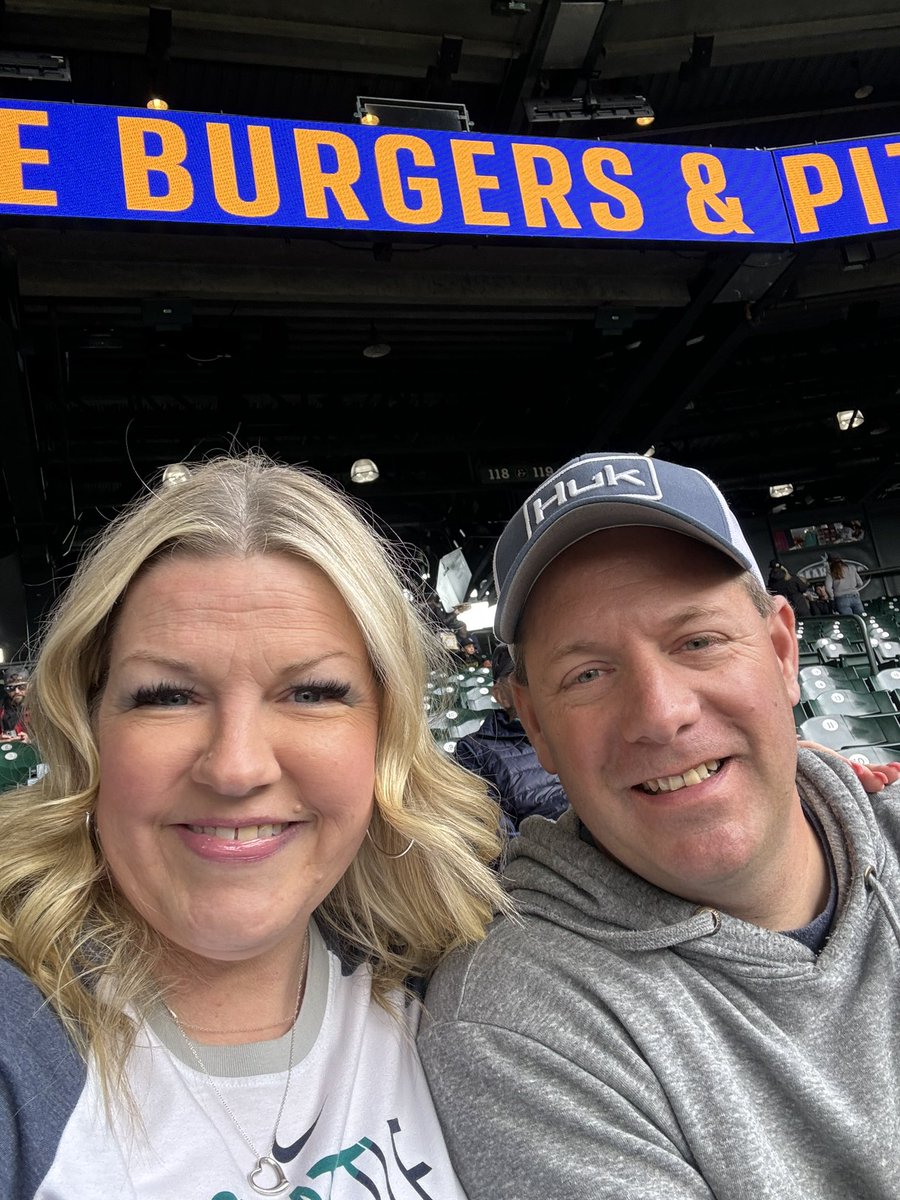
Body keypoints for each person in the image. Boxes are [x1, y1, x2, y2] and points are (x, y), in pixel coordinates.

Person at [0, 454, 510, 1199]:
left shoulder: (463, 986)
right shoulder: (20, 1048)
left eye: (310, 692)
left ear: (386, 731)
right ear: (88, 730)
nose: (236, 768)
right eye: (168, 696)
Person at [419, 451, 900, 1199]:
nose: (661, 713)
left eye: (697, 641)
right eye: (588, 674)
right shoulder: (518, 1025)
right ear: (535, 725)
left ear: (781, 651)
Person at [453, 643, 568, 836]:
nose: (537, 683)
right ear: (500, 696)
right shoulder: (473, 751)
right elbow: (496, 840)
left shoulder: (573, 727)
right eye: (524, 676)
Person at [0, 666, 30, 740]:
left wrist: (32, 740)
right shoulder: (2, 709)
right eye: (11, 688)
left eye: (21, 687)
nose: (17, 691)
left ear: (29, 686)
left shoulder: (41, 708)